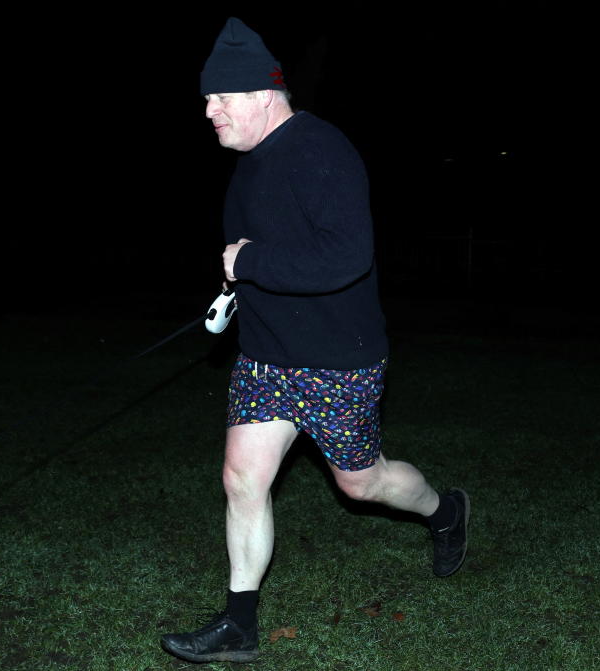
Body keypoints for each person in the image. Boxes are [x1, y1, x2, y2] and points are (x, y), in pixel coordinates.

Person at [160, 17, 470, 664]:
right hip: (268, 357)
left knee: (362, 483)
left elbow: (344, 259)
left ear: (262, 96)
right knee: (243, 476)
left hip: (338, 359)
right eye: (206, 100)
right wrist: (234, 290)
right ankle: (239, 622)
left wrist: (247, 264)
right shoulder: (247, 165)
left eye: (220, 98)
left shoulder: (322, 151)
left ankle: (444, 511)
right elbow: (254, 259)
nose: (209, 112)